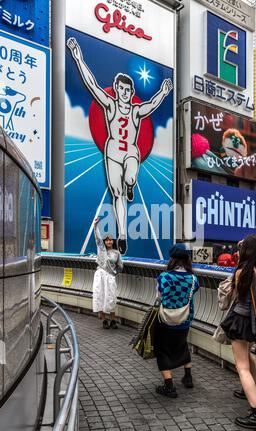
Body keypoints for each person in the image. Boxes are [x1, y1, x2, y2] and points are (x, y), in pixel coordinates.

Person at [67, 37, 173, 254]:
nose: (124, 93)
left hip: (131, 151)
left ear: (131, 92)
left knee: (130, 178)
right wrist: (78, 58)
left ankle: (131, 183)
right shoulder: (110, 105)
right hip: (113, 151)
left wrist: (163, 91)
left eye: (128, 90)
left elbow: (151, 105)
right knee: (117, 193)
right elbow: (92, 85)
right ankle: (123, 234)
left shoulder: (135, 111)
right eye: (121, 89)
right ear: (116, 89)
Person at [220, 235, 256, 431]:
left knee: (241, 367)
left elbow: (232, 294)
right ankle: (251, 391)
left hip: (241, 321)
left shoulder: (242, 272)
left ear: (245, 251)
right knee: (248, 357)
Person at [154, 243, 200, 398]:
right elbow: (193, 292)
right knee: (182, 345)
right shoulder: (193, 279)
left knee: (162, 349)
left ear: (172, 259)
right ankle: (188, 377)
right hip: (185, 320)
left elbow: (159, 297)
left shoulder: (164, 277)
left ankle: (169, 387)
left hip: (166, 320)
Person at [92, 217, 123, 329]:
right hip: (100, 275)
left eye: (111, 240)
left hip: (110, 276)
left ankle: (113, 320)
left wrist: (115, 273)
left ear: (113, 241)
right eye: (107, 240)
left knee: (111, 297)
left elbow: (120, 266)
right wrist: (95, 226)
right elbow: (97, 238)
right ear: (104, 241)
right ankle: (104, 320)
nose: (109, 241)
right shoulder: (101, 248)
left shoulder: (116, 253)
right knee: (100, 296)